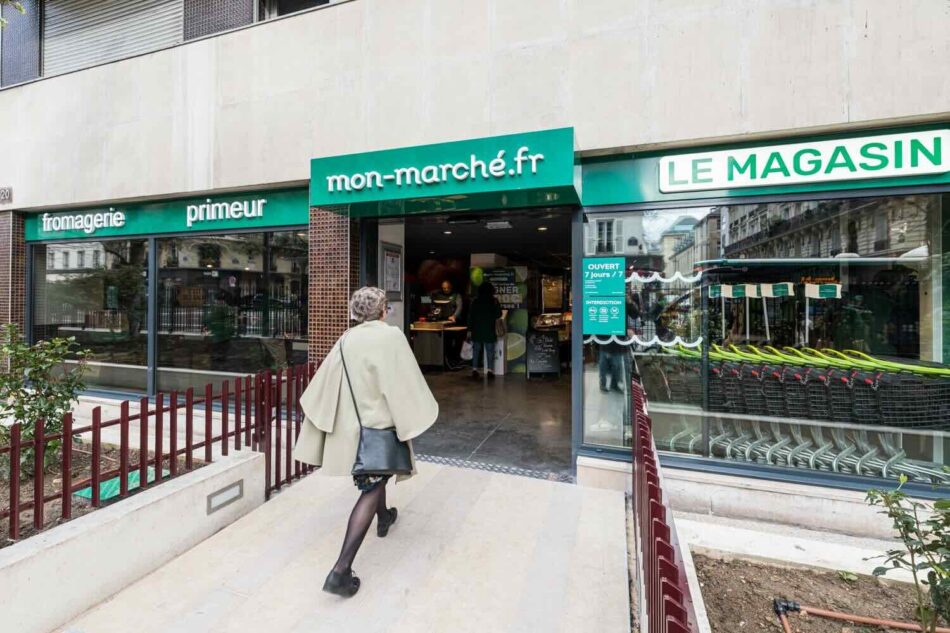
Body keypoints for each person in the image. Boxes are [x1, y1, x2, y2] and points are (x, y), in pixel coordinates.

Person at [293, 287, 439, 598]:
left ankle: (384, 518)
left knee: (377, 473)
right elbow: (405, 380)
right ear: (383, 310)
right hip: (380, 425)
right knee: (372, 486)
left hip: (353, 427)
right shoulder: (391, 336)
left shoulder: (346, 339)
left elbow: (326, 382)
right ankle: (340, 571)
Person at [468, 282, 503, 378]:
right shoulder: (494, 301)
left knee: (476, 351)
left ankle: (474, 369)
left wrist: (469, 329)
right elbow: (498, 315)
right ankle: (490, 371)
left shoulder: (475, 301)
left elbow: (471, 316)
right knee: (490, 351)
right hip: (489, 329)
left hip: (477, 329)